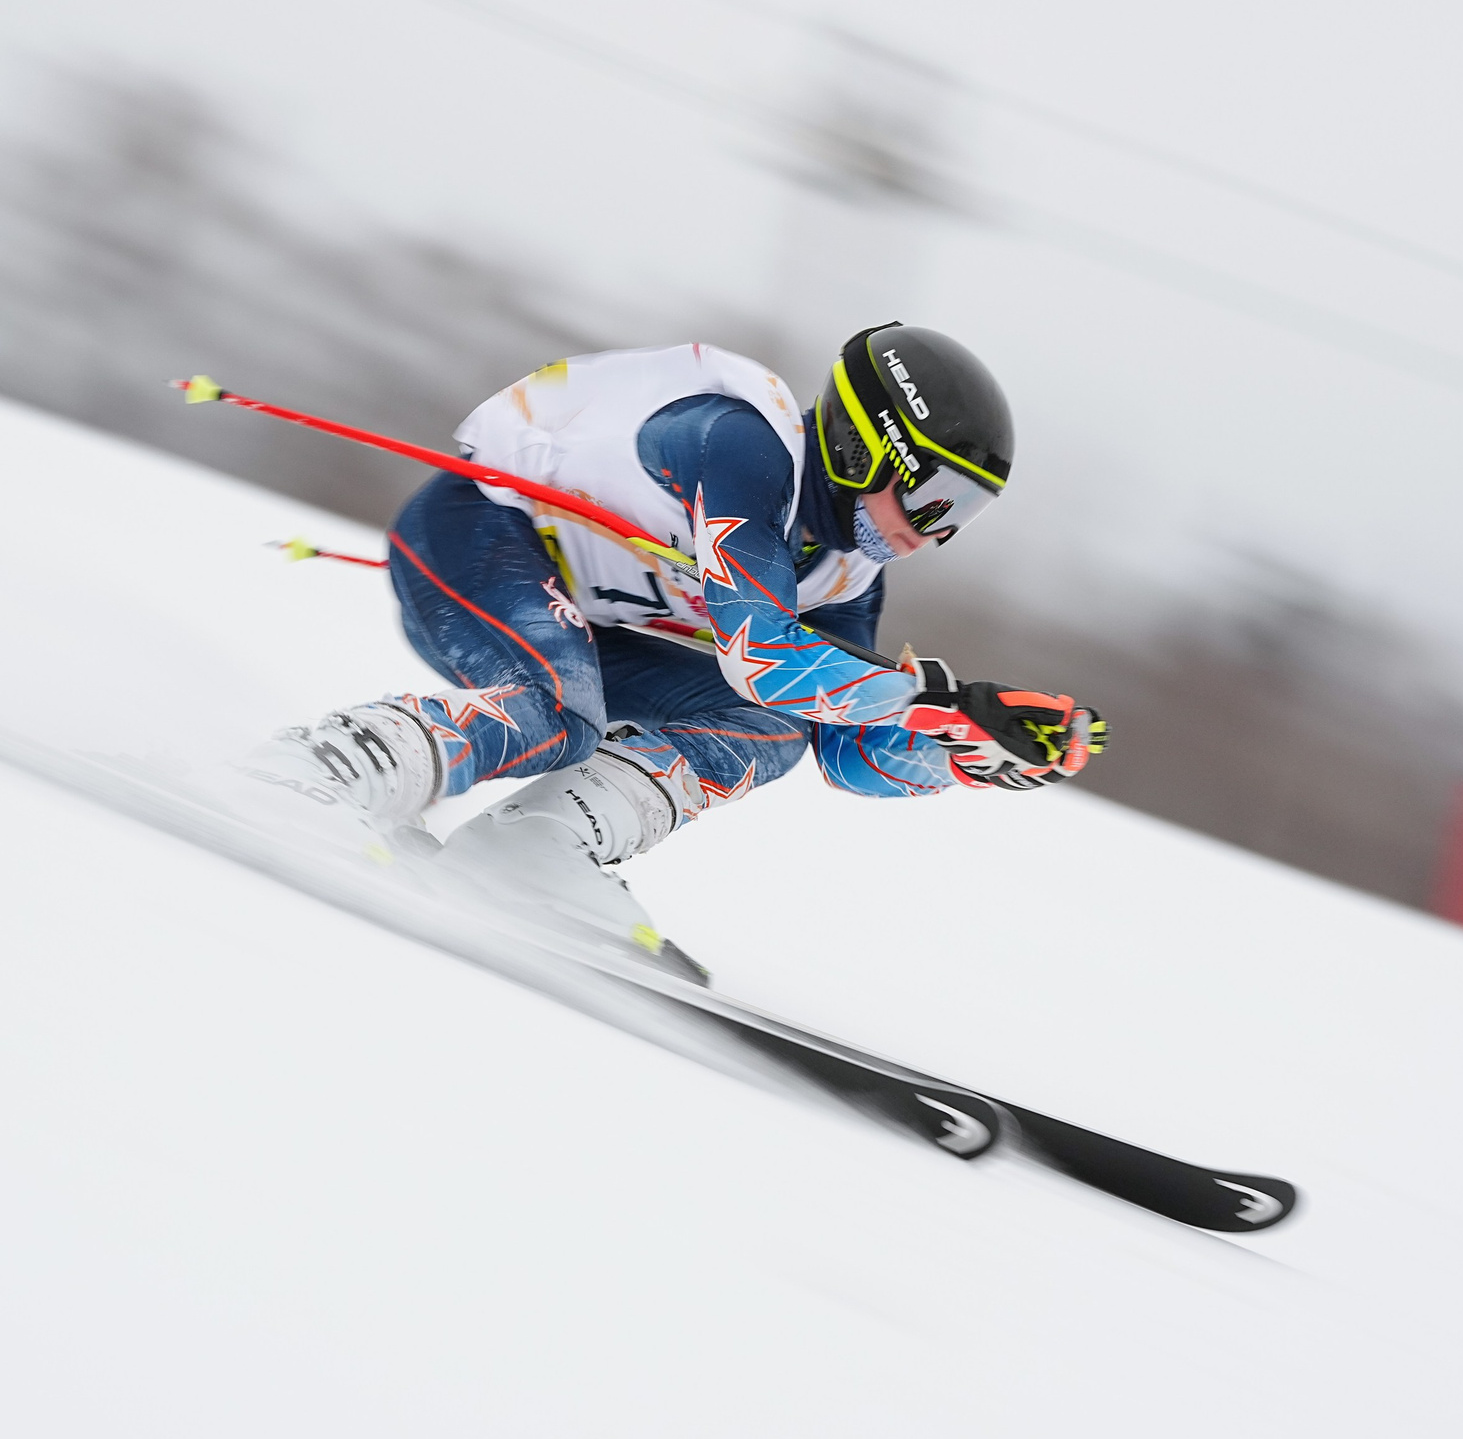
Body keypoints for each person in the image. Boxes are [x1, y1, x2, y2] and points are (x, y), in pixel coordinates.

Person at [268, 322, 1102, 978]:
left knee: (773, 729)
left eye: (964, 514)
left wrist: (967, 748)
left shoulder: (847, 572)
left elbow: (846, 752)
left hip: (572, 623)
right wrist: (931, 703)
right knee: (560, 711)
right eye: (933, 497)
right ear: (865, 447)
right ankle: (327, 767)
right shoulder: (743, 445)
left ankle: (532, 846)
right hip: (471, 538)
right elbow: (762, 653)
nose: (935, 533)